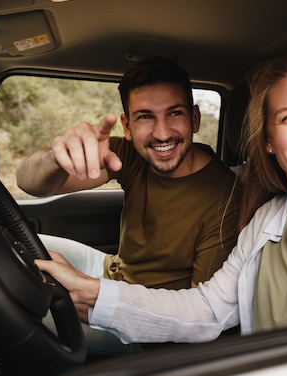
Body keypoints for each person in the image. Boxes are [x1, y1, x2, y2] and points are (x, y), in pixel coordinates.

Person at [36, 56, 287, 344]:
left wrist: (97, 297)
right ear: (268, 141)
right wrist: (98, 294)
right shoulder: (268, 219)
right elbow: (207, 311)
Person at [17, 57, 241, 349]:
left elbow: (197, 315)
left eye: (174, 113)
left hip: (138, 317)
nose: (162, 133)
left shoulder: (225, 198)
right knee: (14, 247)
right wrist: (57, 159)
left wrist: (98, 298)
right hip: (110, 270)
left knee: (15, 304)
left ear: (194, 119)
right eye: (145, 116)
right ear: (127, 125)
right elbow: (29, 182)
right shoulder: (134, 155)